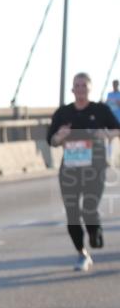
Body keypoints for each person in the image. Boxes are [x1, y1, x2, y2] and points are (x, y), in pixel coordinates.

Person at [47, 72, 120, 271]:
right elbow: (51, 141)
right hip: (70, 171)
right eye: (77, 86)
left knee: (89, 208)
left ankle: (95, 234)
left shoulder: (100, 110)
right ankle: (81, 253)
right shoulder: (63, 113)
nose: (80, 89)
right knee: (72, 213)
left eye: (84, 86)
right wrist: (60, 136)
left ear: (89, 89)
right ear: (72, 89)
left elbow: (117, 129)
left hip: (94, 169)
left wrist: (104, 133)